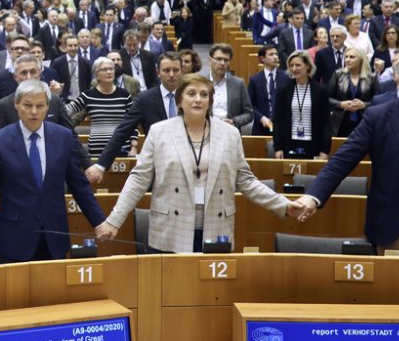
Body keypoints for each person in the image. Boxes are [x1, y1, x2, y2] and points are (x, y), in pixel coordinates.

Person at [96, 74, 301, 252]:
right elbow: (138, 180)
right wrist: (114, 220)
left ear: (210, 102)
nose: (198, 100)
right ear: (179, 101)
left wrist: (283, 204)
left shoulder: (230, 134)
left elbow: (246, 181)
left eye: (204, 95)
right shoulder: (159, 132)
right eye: (191, 94)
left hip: (216, 225)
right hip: (170, 228)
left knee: (211, 296)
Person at [296, 53, 399, 257]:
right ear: (397, 81)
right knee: (395, 287)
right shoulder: (378, 117)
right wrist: (314, 196)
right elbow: (342, 160)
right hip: (397, 225)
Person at [0, 79, 105, 262]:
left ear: (48, 107)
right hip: (15, 238)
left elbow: (79, 185)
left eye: (40, 106)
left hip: (54, 236)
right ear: (16, 105)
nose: (34, 112)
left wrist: (99, 221)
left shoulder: (63, 137)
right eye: (28, 105)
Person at [65, 57, 133, 160]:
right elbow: (67, 110)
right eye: (104, 69)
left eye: (111, 69)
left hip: (121, 148)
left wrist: (134, 146)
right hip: (97, 150)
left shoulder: (124, 95)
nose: (109, 72)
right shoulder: (88, 95)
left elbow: (132, 123)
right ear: (96, 75)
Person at [273, 51, 333, 159]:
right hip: (289, 143)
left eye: (298, 65)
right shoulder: (283, 89)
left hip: (313, 144)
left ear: (308, 66)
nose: (294, 68)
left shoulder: (320, 90)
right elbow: (277, 120)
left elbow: (326, 122)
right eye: (291, 66)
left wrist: (325, 150)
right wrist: (278, 148)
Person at [327, 47, 376, 138]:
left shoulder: (371, 78)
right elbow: (326, 99)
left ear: (361, 59)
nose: (347, 60)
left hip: (364, 121)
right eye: (346, 57)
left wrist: (364, 105)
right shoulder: (338, 75)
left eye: (352, 57)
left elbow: (379, 101)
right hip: (340, 122)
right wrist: (341, 104)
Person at [206, 44, 254, 129]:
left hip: (230, 132)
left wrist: (234, 121)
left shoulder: (238, 83)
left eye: (226, 60)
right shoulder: (201, 83)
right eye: (218, 59)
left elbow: (249, 114)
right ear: (210, 60)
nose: (222, 63)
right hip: (206, 132)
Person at [247, 45, 287, 137]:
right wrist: (261, 118)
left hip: (281, 126)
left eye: (276, 54)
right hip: (261, 126)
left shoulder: (285, 78)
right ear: (262, 58)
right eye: (271, 54)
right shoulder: (255, 79)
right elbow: (249, 105)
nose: (275, 57)